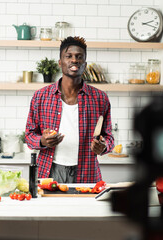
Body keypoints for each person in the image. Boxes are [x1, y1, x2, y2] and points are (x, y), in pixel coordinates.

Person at [25, 36, 114, 183]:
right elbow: (29, 135)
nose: (74, 60)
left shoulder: (100, 98)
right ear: (60, 63)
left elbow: (109, 136)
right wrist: (42, 141)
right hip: (49, 171)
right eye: (69, 56)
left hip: (87, 172)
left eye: (79, 57)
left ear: (84, 64)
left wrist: (103, 147)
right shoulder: (41, 96)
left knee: (84, 207)